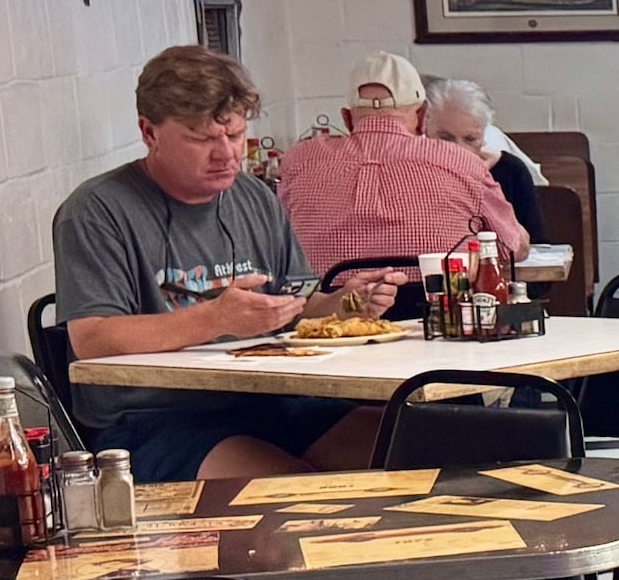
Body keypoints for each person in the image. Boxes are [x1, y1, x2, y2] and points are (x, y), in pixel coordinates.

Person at [51, 46, 397, 480]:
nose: (226, 154)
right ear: (149, 132)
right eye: (201, 139)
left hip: (268, 399)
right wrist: (215, 317)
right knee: (298, 495)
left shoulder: (251, 195)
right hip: (157, 417)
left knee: (411, 447)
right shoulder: (97, 210)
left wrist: (345, 304)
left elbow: (294, 304)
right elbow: (94, 339)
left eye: (234, 135)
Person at [274, 50, 525, 280]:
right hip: (436, 321)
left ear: (347, 118)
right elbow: (512, 248)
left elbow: (276, 247)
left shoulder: (299, 161)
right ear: (423, 115)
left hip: (331, 322)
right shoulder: (462, 162)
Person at [421, 76, 543, 241]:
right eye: (446, 138)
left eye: (470, 139)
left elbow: (538, 245)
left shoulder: (509, 170)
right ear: (424, 131)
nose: (459, 150)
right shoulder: (414, 173)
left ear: (484, 136)